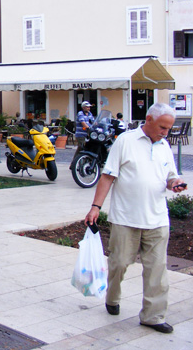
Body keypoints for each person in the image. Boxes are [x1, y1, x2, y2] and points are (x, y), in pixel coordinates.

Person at [84, 103, 185, 334]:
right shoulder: (125, 141)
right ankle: (112, 298)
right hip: (125, 218)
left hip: (158, 219)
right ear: (148, 119)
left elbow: (170, 176)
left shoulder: (164, 146)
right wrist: (95, 207)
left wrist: (175, 183)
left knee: (157, 270)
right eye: (162, 127)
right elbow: (107, 176)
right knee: (119, 264)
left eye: (169, 129)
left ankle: (153, 316)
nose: (165, 132)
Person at [70, 101, 95, 169]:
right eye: (87, 107)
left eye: (89, 107)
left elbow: (93, 122)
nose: (89, 108)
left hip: (88, 134)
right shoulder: (80, 113)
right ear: (83, 107)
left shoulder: (90, 114)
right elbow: (83, 122)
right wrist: (88, 127)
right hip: (81, 135)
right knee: (82, 148)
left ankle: (74, 164)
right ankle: (78, 164)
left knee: (81, 149)